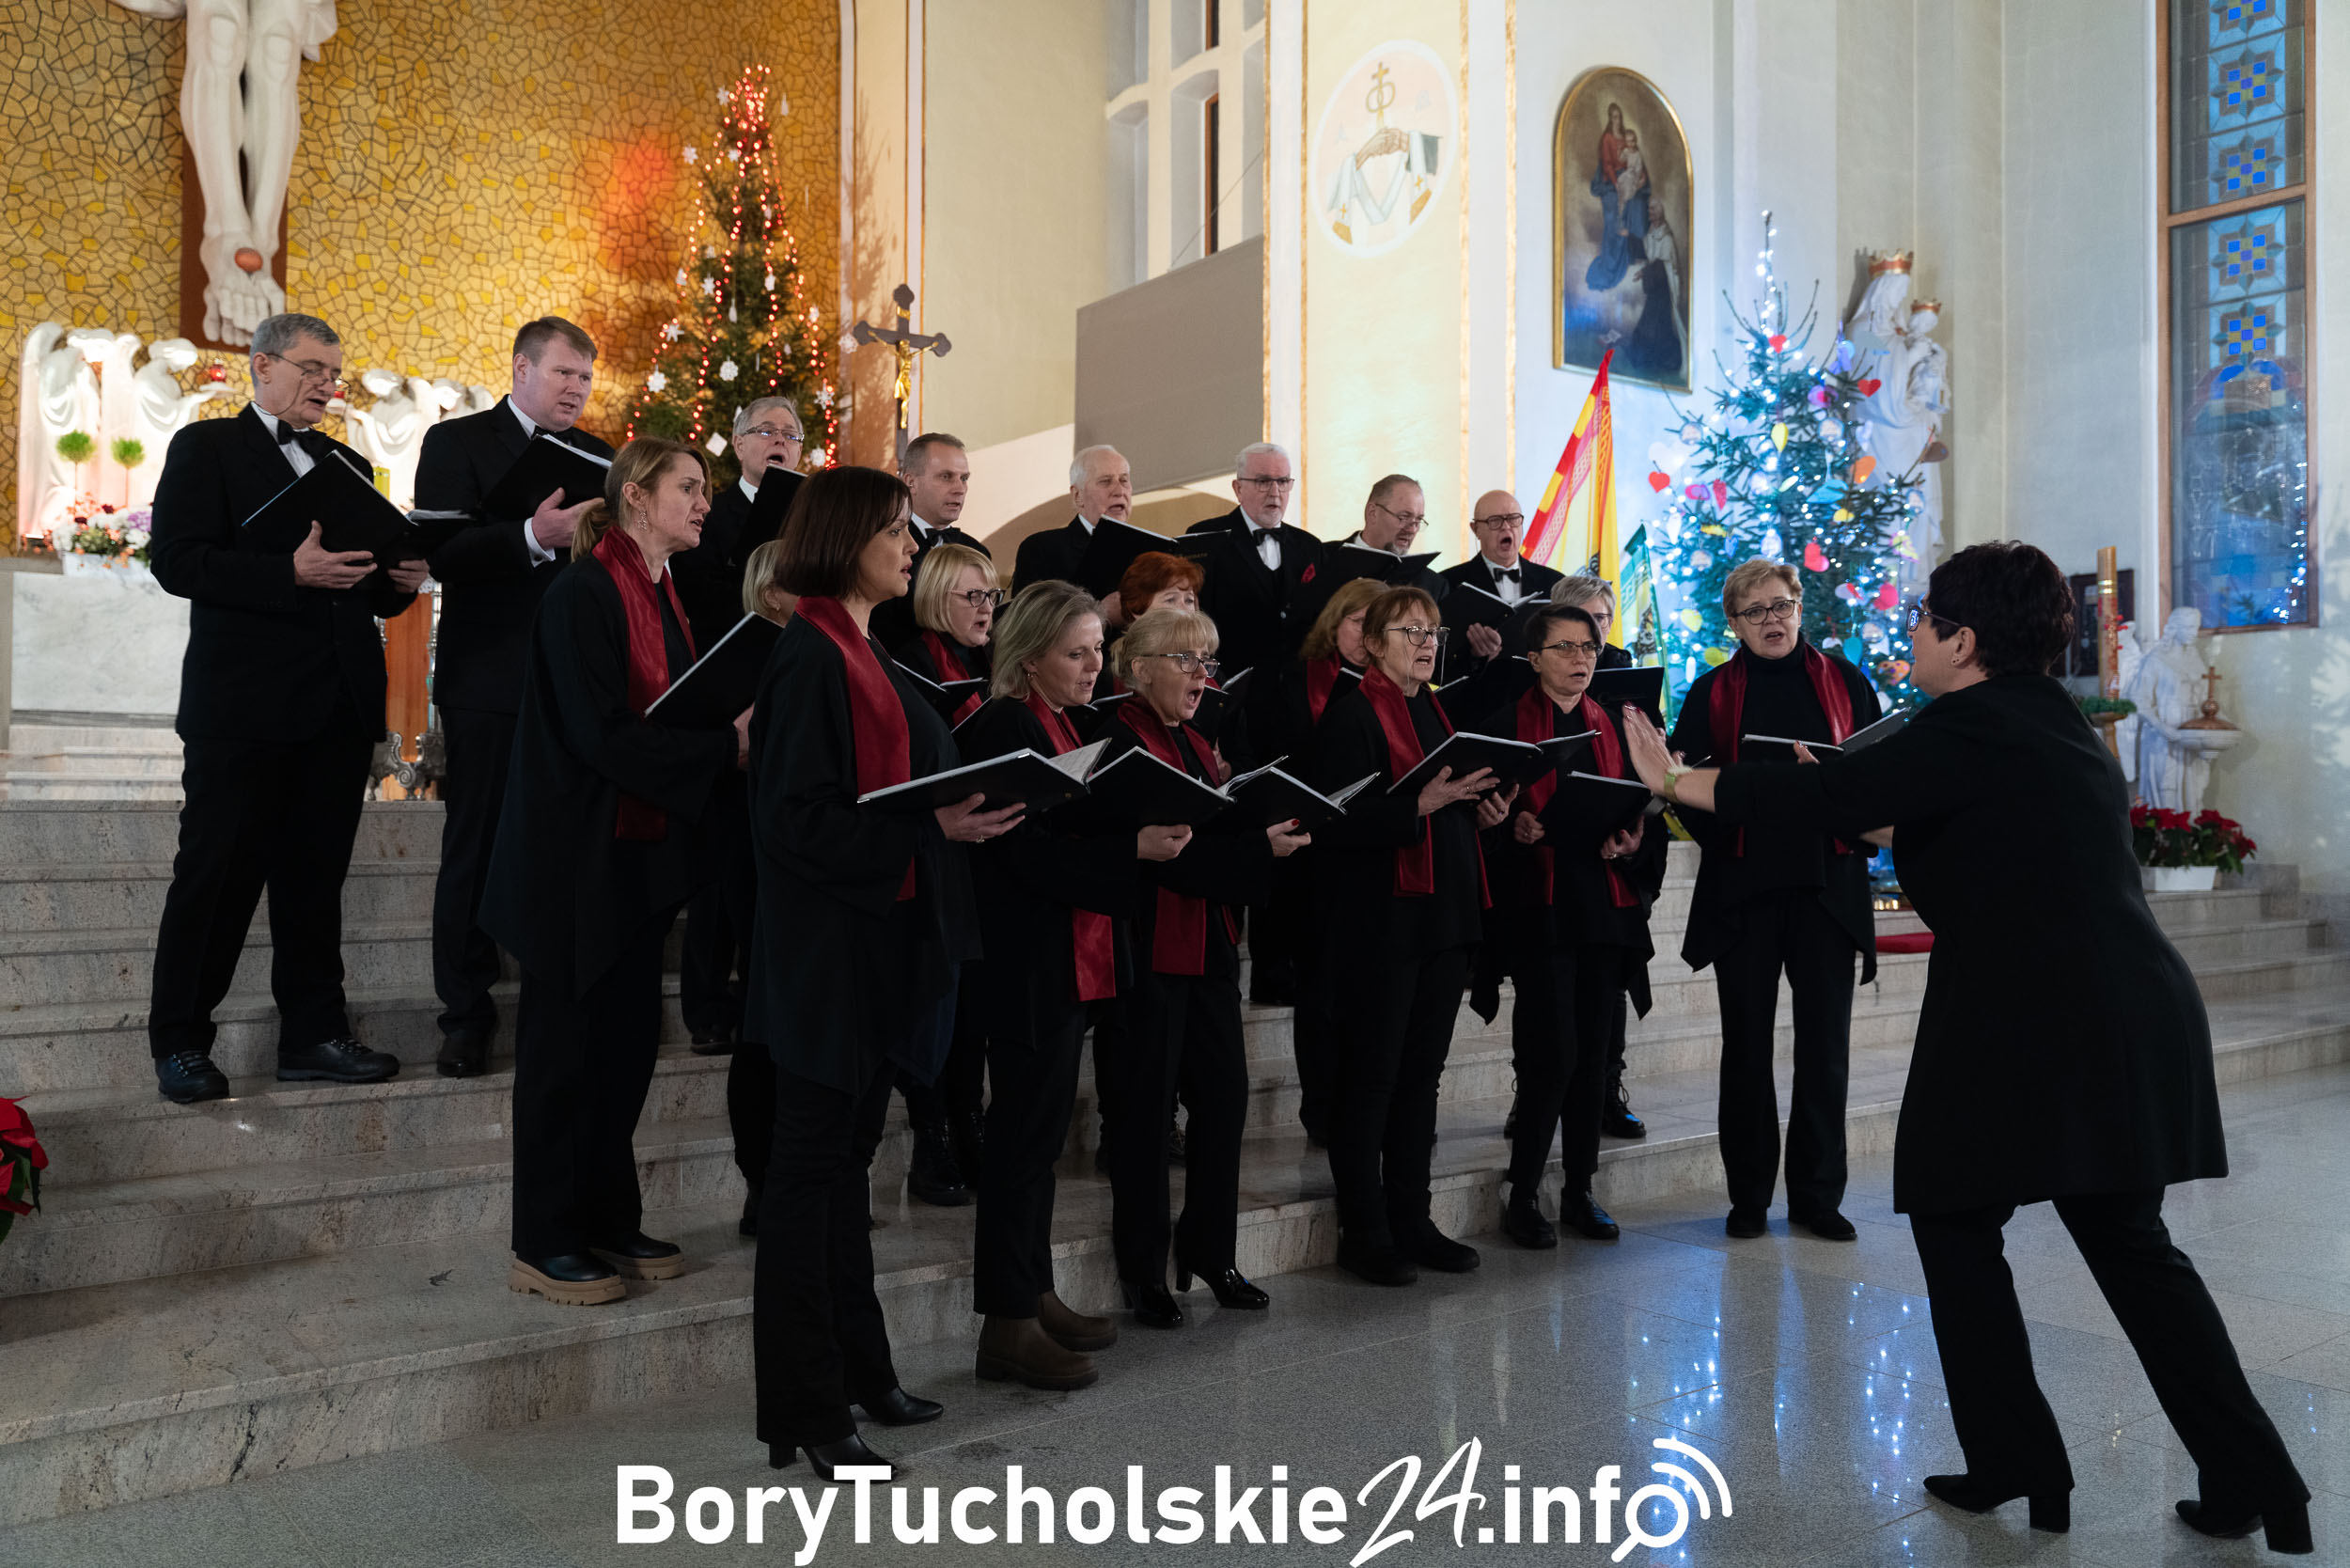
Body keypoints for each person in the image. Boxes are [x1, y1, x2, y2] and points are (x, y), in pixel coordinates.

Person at [1622, 541, 2311, 1553]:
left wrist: (1678, 782)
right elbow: (1983, 831)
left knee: (1954, 1218)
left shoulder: (1968, 721)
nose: (1910, 634)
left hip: (2033, 1017)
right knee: (2128, 1246)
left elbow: (1822, 802)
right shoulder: (2045, 718)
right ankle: (2258, 1478)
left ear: (1964, 640)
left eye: (1925, 619)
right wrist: (1882, 815)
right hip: (2117, 1010)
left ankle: (2018, 1462)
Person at [740, 465, 1011, 1483]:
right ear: (849, 536)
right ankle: (804, 1413)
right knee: (806, 1193)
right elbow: (793, 823)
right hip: (826, 968)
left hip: (874, 950)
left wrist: (954, 814)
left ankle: (861, 1372)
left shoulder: (858, 646)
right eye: (896, 530)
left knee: (842, 1179)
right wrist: (928, 827)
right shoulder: (809, 652)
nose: (912, 545)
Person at [478, 439, 742, 1307]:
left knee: (624, 1053)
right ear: (637, 497)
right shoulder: (582, 591)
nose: (705, 503)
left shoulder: (664, 594)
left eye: (706, 490)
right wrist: (720, 746)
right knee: (562, 1059)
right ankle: (543, 1237)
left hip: (632, 858)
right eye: (690, 488)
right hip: (569, 862)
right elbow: (597, 734)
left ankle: (606, 1213)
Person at [145, 310, 426, 1104]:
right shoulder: (207, 448)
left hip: (335, 706)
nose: (325, 386)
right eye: (310, 370)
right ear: (261, 367)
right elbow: (177, 561)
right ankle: (180, 1042)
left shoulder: (347, 461)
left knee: (313, 881)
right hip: (241, 707)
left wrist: (395, 586)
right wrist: (286, 574)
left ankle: (313, 1035)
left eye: (333, 374)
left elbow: (358, 579)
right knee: (216, 878)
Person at [959, 582, 1187, 1388]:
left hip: (1066, 957)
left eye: (1098, 650)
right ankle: (1006, 1326)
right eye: (1076, 653)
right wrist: (1134, 849)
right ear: (1028, 657)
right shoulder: (1004, 724)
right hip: (1025, 964)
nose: (1095, 666)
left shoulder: (1056, 722)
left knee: (1041, 1140)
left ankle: (1035, 1293)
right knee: (1021, 1145)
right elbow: (1025, 855)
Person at [417, 316, 617, 1079]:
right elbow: (439, 553)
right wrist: (531, 536)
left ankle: (556, 999)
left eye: (586, 379)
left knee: (565, 842)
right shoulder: (457, 442)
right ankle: (465, 1014)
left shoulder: (600, 457)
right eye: (565, 373)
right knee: (475, 844)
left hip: (576, 681)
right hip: (491, 677)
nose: (576, 388)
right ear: (522, 368)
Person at [1100, 608, 1305, 1325]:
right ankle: (1143, 1270)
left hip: (1210, 949)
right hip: (1148, 950)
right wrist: (1258, 850)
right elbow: (1170, 855)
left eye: (1208, 663)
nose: (1201, 677)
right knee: (1144, 1117)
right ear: (1139, 666)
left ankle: (1211, 1251)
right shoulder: (1117, 738)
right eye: (1186, 661)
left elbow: (1204, 838)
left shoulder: (1193, 739)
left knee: (1223, 1103)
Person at [1666, 559, 1880, 1241]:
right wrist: (1737, 813)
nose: (1772, 619)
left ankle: (1818, 1197)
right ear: (1733, 622)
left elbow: (1880, 774)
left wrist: (1837, 790)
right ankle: (1750, 1196)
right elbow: (1685, 785)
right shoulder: (1709, 693)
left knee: (1825, 1048)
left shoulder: (1846, 681)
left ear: (1799, 609)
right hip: (1745, 886)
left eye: (1782, 605)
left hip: (1828, 884)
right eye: (1754, 610)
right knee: (1746, 1049)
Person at [1310, 587, 1509, 1284]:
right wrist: (1414, 807)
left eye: (1433, 631)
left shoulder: (1434, 707)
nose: (1427, 643)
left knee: (1420, 1081)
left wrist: (1478, 814)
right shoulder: (1352, 713)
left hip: (1444, 917)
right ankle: (1365, 1231)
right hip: (1382, 923)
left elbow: (1445, 802)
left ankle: (1413, 1220)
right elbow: (1331, 826)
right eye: (1410, 630)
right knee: (1372, 1082)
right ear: (1372, 643)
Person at [1475, 602, 1664, 1248]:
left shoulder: (1613, 724)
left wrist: (1629, 839)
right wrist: (1513, 828)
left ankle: (1581, 1188)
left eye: (1588, 647)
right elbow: (1480, 825)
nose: (1581, 659)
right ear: (1535, 658)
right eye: (1565, 648)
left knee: (1591, 1058)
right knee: (1548, 1055)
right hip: (1540, 909)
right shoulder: (1505, 727)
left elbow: (1643, 819)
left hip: (1602, 906)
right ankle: (1523, 1191)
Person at [668, 397, 804, 1058]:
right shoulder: (710, 516)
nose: (780, 442)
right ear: (738, 443)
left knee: (767, 865)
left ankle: (761, 998)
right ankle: (706, 1007)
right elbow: (697, 592)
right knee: (721, 868)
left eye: (791, 433)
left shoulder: (810, 518)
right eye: (767, 431)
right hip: (726, 695)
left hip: (792, 690)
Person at [1187, 443, 1326, 1000]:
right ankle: (1220, 957)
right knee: (1233, 831)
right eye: (1263, 481)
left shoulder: (1311, 547)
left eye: (1283, 482)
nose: (1274, 492)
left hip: (1295, 718)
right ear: (1238, 487)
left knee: (1287, 834)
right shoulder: (1205, 539)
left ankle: (1275, 968)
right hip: (1227, 711)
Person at [887, 541, 1002, 1206]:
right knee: (940, 1005)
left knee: (975, 1009)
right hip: (937, 850)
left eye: (991, 595)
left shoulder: (991, 662)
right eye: (972, 596)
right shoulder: (911, 663)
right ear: (935, 598)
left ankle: (970, 1122)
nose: (986, 609)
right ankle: (931, 1136)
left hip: (987, 851)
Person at [1272, 576, 1385, 1143]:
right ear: (1334, 622)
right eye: (1357, 622)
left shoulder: (1403, 690)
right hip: (1309, 855)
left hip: (1372, 853)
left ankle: (1366, 1103)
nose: (1366, 635)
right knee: (1319, 989)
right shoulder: (1296, 679)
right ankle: (1321, 1108)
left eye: (1377, 624)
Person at [722, 552, 792, 1238]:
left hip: (797, 849)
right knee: (761, 1021)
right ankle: (760, 1181)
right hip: (752, 842)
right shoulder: (749, 654)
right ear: (771, 592)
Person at [872, 431, 990, 651]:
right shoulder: (886, 545)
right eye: (946, 477)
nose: (959, 489)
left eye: (964, 478)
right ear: (910, 482)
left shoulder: (977, 551)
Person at [1439, 491, 1561, 675]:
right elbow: (1439, 662)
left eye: (1513, 519)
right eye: (1494, 521)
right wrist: (1474, 655)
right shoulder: (1448, 583)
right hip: (1479, 697)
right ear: (1475, 529)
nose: (1506, 528)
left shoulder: (1555, 583)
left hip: (1538, 694)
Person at [1013, 445, 1132, 589]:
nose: (1120, 491)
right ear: (1078, 496)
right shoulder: (1042, 550)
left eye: (1124, 480)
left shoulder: (1149, 552)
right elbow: (1029, 612)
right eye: (1105, 481)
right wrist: (1100, 609)